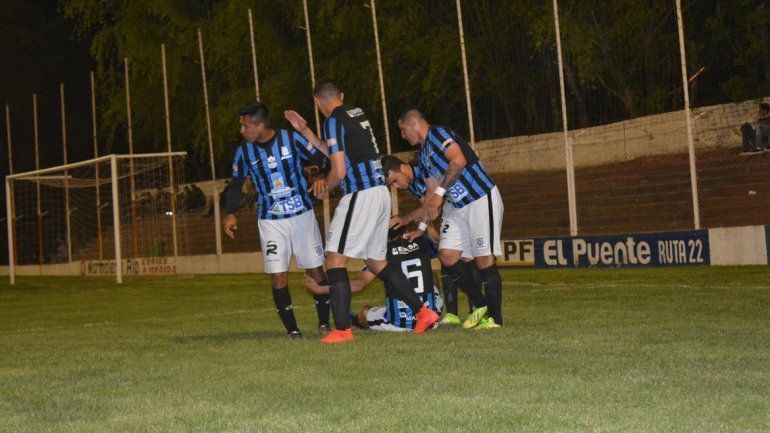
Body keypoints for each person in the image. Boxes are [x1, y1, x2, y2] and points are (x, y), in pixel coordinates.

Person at [284, 80, 440, 343]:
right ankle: (423, 313)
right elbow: (335, 152)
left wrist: (325, 187)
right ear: (341, 95)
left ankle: (343, 330)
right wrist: (305, 130)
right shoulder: (356, 115)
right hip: (379, 194)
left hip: (361, 194)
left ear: (317, 102)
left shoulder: (333, 120)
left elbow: (339, 170)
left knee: (335, 259)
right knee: (377, 262)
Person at [224, 102, 332, 340]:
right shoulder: (244, 152)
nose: (242, 130)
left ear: (260, 125)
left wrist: (321, 175)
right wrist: (230, 212)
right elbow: (235, 186)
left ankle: (324, 323)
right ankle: (293, 330)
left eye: (245, 126)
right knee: (278, 275)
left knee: (315, 269)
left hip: (302, 216)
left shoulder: (291, 139)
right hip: (270, 221)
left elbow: (324, 159)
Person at [398, 107, 504, 329]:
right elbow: (430, 192)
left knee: (484, 259)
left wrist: (439, 194)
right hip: (457, 207)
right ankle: (480, 303)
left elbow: (458, 160)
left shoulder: (438, 134)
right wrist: (422, 227)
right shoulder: (423, 156)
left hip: (479, 198)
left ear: (413, 123)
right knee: (447, 255)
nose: (403, 135)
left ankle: (495, 319)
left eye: (403, 129)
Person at [381, 154, 479, 326]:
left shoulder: (423, 168)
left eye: (395, 181)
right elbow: (429, 207)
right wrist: (425, 226)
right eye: (392, 185)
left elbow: (433, 203)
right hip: (450, 210)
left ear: (403, 168)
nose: (396, 187)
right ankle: (452, 313)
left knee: (466, 257)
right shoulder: (412, 184)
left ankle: (477, 308)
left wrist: (407, 219)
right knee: (445, 253)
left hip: (465, 204)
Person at [305, 227, 442, 332]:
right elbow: (441, 247)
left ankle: (353, 320)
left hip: (402, 322)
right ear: (406, 231)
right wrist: (428, 226)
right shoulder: (422, 242)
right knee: (432, 276)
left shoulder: (381, 255)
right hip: (432, 318)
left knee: (365, 311)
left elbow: (359, 284)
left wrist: (319, 289)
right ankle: (429, 311)